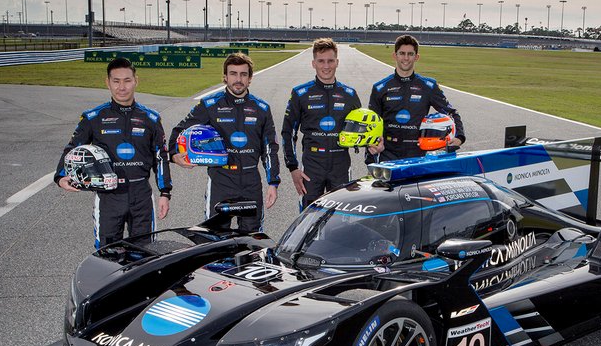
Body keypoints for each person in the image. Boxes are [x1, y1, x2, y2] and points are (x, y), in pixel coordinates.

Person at [54, 57, 172, 249]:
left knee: (146, 253)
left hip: (141, 194)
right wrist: (60, 176)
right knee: (107, 254)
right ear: (107, 82)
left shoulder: (151, 118)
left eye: (127, 80)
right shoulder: (93, 117)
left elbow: (161, 156)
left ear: (135, 81)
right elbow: (71, 149)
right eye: (116, 81)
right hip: (109, 195)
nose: (122, 87)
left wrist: (165, 192)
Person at [168, 52, 280, 232]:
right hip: (221, 180)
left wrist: (273, 182)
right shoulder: (209, 105)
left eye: (243, 74)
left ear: (250, 78)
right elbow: (179, 130)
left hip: (251, 181)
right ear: (225, 77)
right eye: (233, 74)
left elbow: (270, 148)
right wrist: (174, 155)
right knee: (215, 237)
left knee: (251, 240)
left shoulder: (262, 108)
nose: (238, 79)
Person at [281, 38, 362, 209]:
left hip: (340, 162)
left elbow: (363, 130)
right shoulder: (300, 94)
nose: (326, 66)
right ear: (313, 63)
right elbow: (288, 132)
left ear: (337, 62)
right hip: (312, 164)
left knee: (340, 219)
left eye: (330, 61)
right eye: (321, 61)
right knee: (309, 219)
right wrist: (293, 168)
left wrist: (373, 144)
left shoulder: (349, 94)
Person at [368, 34, 466, 161]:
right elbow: (370, 124)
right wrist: (371, 156)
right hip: (388, 155)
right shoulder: (380, 88)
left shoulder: (428, 86)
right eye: (402, 53)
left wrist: (459, 137)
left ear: (416, 57)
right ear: (395, 55)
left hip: (419, 156)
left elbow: (451, 112)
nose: (406, 58)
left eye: (410, 54)